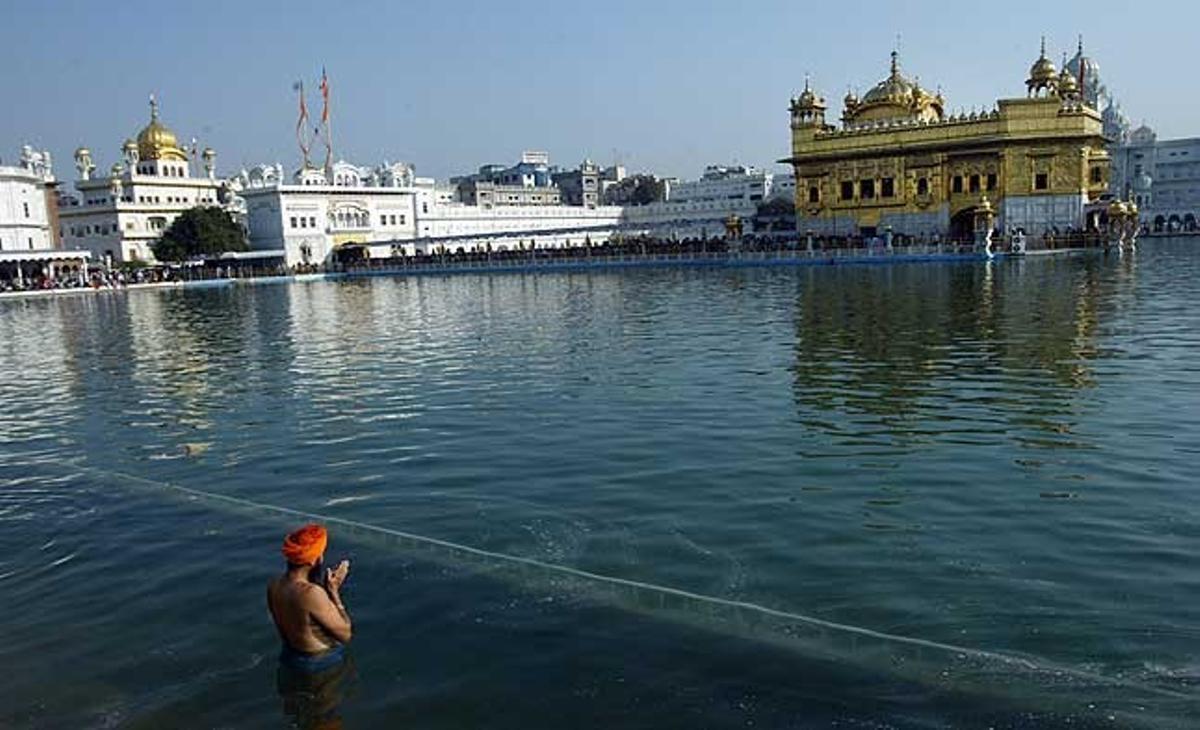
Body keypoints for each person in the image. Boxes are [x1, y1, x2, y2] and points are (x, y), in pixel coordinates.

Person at [267, 524, 352, 673]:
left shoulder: (274, 585)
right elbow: (345, 634)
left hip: (290, 655)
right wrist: (333, 592)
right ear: (313, 561)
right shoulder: (311, 593)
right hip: (319, 662)